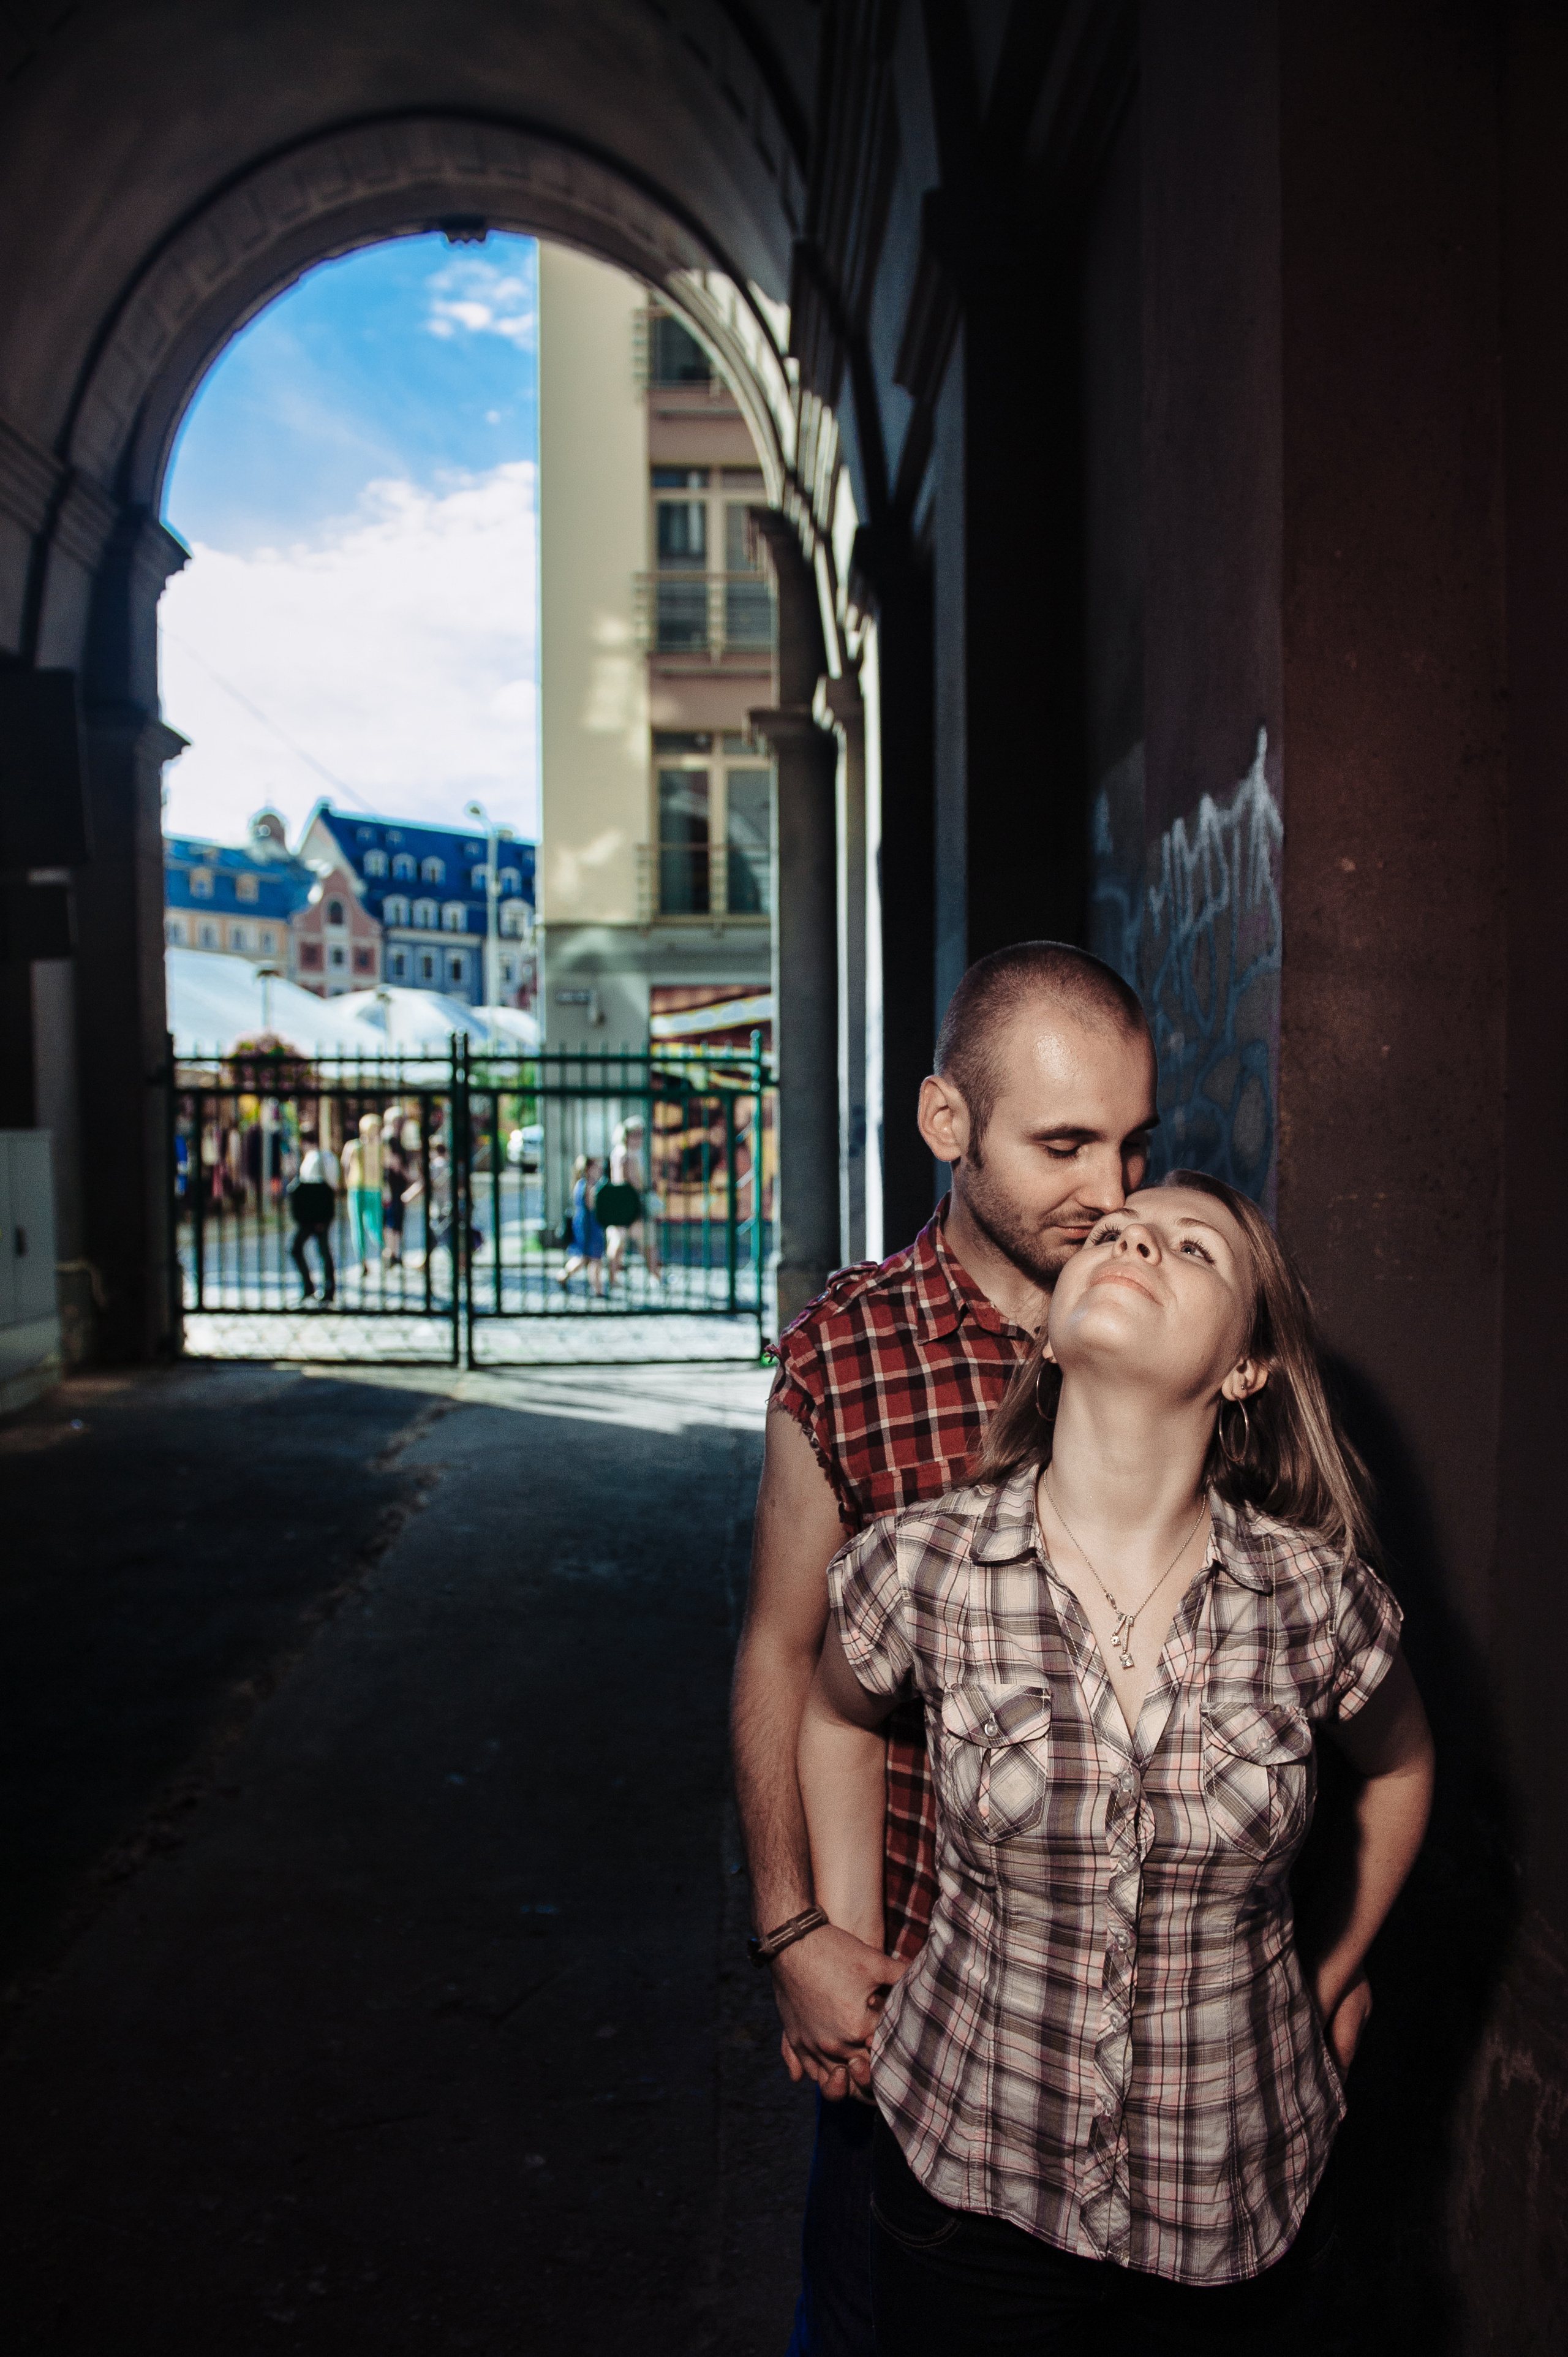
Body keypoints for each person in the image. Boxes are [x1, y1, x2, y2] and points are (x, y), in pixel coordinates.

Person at [798, 1170, 1434, 2351]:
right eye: (1115, 1233)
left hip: (1234, 2194)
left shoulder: (1316, 1601)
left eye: (1191, 1249)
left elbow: (1401, 1769)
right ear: (1049, 1329)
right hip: (969, 2174)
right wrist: (844, 1927)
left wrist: (1338, 1966)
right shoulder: (922, 1565)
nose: (1136, 1235)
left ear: (1246, 1367)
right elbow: (834, 1716)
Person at [732, 940, 1162, 2356]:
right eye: (1059, 1143)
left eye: (1128, 1141)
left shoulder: (1180, 1326)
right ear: (944, 1122)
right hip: (914, 2003)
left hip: (1153, 2025)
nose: (1106, 1190)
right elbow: (778, 1651)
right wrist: (794, 1928)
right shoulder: (847, 1350)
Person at [598, 1114, 662, 1286]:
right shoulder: (626, 1156)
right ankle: (656, 1275)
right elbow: (633, 1183)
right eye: (636, 1134)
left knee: (622, 1242)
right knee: (645, 1242)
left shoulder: (620, 1153)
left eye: (641, 1134)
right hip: (632, 1205)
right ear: (627, 1136)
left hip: (623, 1205)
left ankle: (615, 1278)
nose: (640, 1138)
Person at [287, 1123, 339, 1304]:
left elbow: (321, 1187)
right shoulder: (327, 1157)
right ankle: (322, 1289)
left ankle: (322, 1289)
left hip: (316, 1213)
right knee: (321, 1250)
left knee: (310, 1249)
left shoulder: (317, 1158)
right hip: (319, 1212)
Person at [558, 1154, 608, 1296]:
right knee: (595, 1258)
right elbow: (593, 1206)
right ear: (589, 1169)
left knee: (584, 1256)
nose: (600, 1170)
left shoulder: (579, 1184)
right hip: (590, 1224)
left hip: (581, 1223)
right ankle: (598, 1289)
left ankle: (563, 1275)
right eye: (597, 1167)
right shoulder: (590, 1186)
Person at [342, 1112, 384, 1271]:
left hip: (373, 1189)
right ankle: (363, 1260)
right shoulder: (354, 1146)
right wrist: (347, 1183)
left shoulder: (380, 1147)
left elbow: (386, 1164)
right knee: (359, 1226)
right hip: (357, 1189)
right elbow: (345, 1166)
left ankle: (385, 1253)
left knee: (374, 1225)